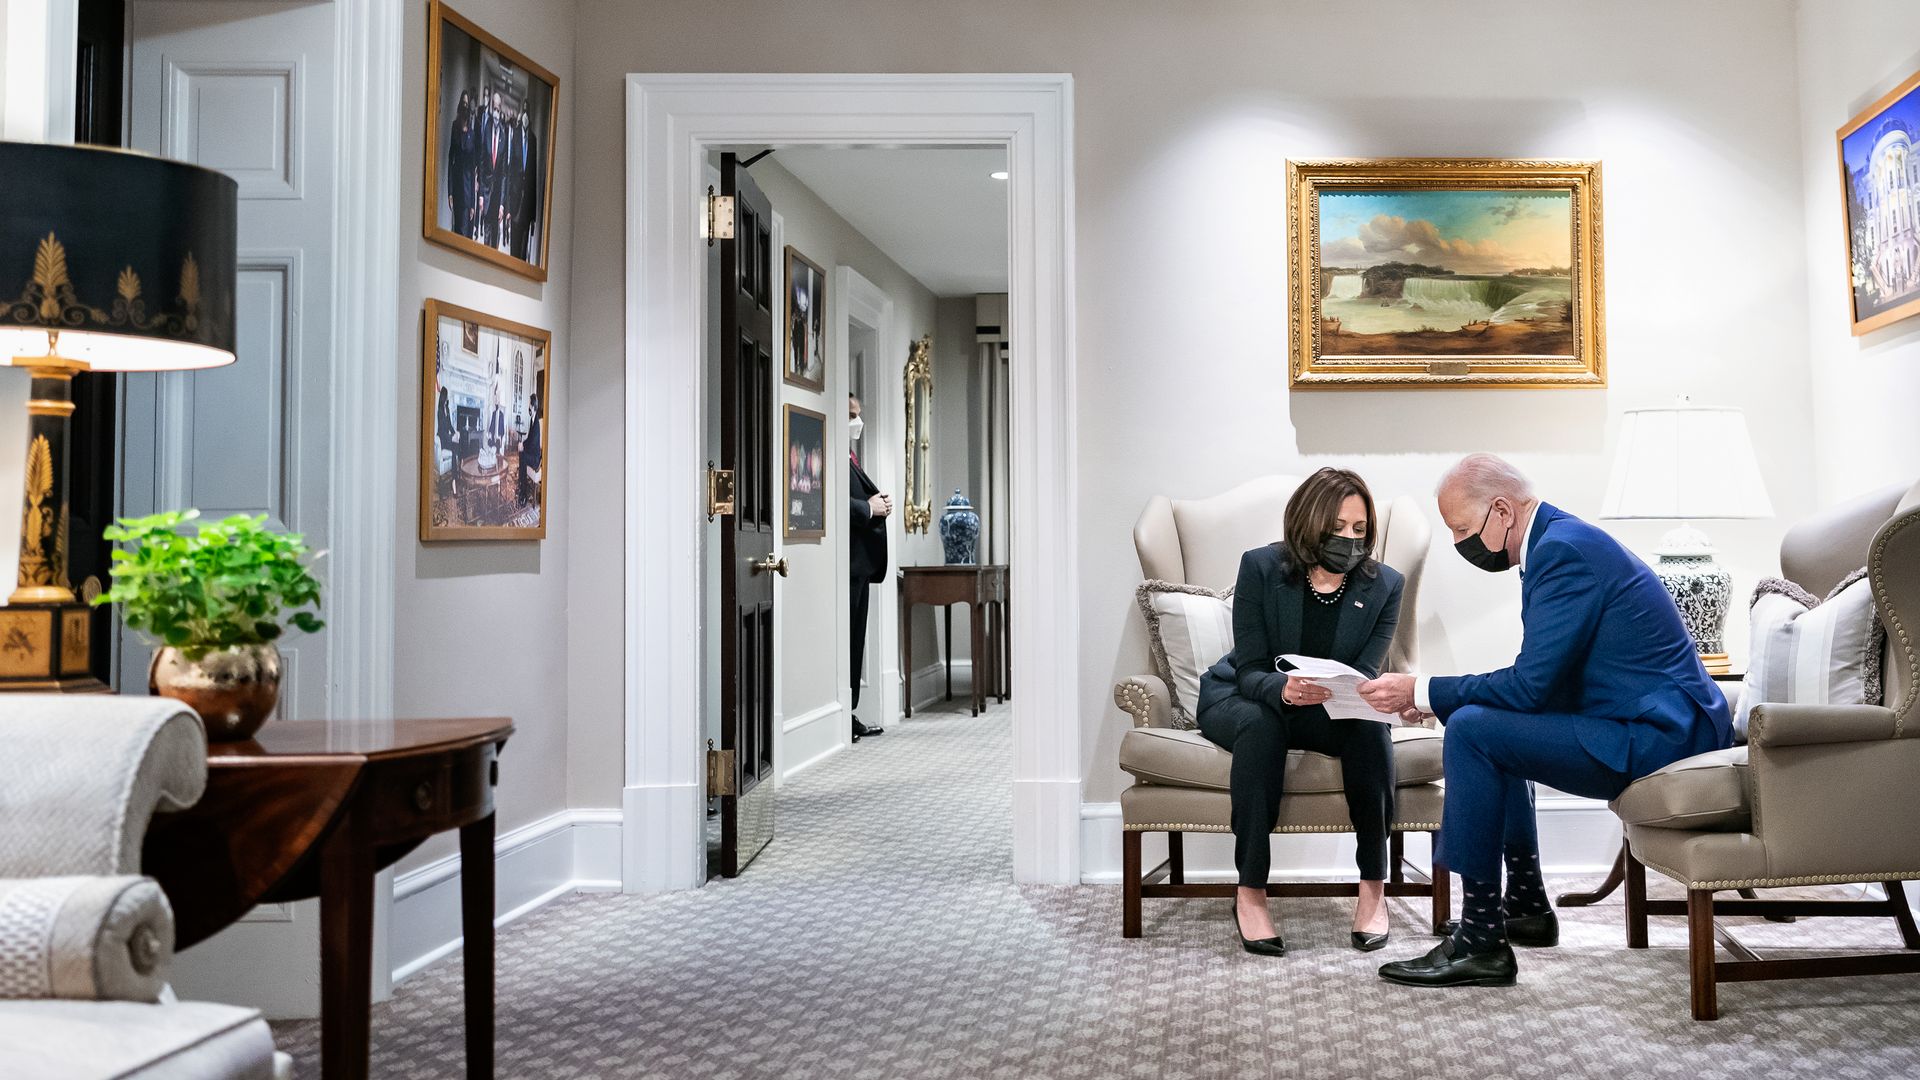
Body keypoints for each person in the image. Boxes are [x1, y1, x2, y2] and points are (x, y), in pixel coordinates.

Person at [1359, 453, 1731, 988]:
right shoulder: (1557, 542)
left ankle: (1482, 937)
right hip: (1645, 724)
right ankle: (1527, 905)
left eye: (1462, 529)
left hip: (1662, 738)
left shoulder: (1563, 552)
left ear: (1503, 511)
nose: (1461, 543)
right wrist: (1443, 697)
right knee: (1485, 721)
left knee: (1473, 730)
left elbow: (1531, 685)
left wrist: (1425, 689)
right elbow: (1542, 684)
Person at [1194, 467, 1405, 956]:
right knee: (1262, 726)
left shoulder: (1385, 585)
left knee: (1371, 733)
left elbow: (1364, 672)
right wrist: (1282, 690)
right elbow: (1248, 667)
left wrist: (1385, 700)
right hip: (1246, 695)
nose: (1350, 540)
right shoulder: (1261, 567)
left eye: (1360, 530)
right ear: (1308, 523)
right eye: (1338, 528)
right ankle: (1250, 892)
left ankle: (1373, 889)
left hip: (1325, 704)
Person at [848, 394, 891, 742]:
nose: (856, 422)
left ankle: (850, 712)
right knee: (847, 642)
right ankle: (844, 716)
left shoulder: (851, 457)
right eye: (851, 415)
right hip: (846, 565)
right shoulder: (830, 454)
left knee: (856, 642)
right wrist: (868, 508)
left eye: (859, 416)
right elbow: (828, 498)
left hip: (860, 565)